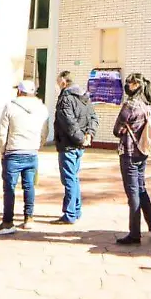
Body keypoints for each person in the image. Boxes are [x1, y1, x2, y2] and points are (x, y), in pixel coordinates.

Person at [0, 81, 50, 235]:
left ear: (20, 92)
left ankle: (8, 222)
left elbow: (3, 132)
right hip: (32, 152)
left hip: (13, 151)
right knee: (29, 186)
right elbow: (45, 131)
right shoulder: (42, 108)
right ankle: (29, 218)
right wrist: (38, 145)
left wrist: (3, 150)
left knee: (9, 188)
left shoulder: (10, 106)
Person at [110, 73, 151, 244]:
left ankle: (134, 234)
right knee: (141, 189)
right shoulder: (147, 105)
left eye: (129, 83)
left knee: (133, 193)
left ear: (136, 85)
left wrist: (125, 129)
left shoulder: (130, 105)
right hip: (142, 151)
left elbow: (116, 130)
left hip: (129, 152)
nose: (127, 86)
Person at [52, 72, 99, 225]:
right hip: (79, 145)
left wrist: (82, 138)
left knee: (69, 179)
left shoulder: (66, 98)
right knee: (74, 177)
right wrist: (88, 135)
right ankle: (76, 210)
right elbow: (93, 118)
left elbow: (69, 122)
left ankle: (70, 213)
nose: (57, 85)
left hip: (68, 144)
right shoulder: (84, 97)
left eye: (58, 82)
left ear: (64, 81)